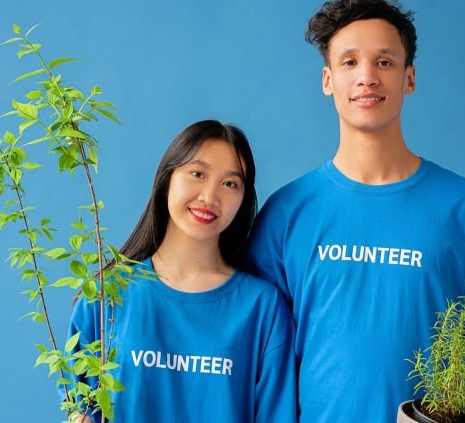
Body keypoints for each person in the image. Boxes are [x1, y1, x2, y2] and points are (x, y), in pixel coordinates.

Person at [244, 0, 465, 422]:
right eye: (349, 62)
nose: (367, 77)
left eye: (384, 61)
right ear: (328, 80)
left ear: (409, 77)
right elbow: (261, 350)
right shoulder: (287, 213)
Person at [67, 120, 296, 422]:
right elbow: (81, 406)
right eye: (197, 174)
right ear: (167, 181)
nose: (210, 197)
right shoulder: (107, 294)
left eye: (230, 183)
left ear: (243, 199)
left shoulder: (262, 308)